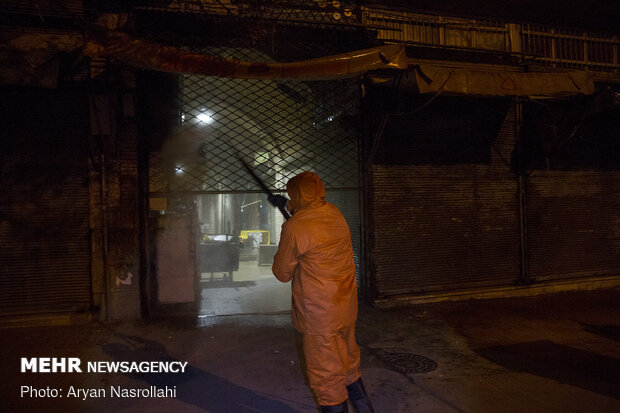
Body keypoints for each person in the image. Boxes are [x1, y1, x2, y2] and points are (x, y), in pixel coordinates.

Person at [270, 171, 374, 413]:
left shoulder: (295, 227)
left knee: (326, 376)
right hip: (345, 308)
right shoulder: (334, 213)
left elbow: (282, 273)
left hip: (319, 316)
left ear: (296, 195)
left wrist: (289, 223)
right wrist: (285, 205)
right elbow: (312, 214)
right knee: (348, 364)